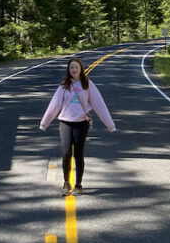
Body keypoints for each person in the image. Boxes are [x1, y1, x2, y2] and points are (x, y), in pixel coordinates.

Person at [39, 57, 116, 195]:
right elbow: (54, 105)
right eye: (71, 68)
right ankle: (67, 183)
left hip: (82, 123)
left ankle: (78, 184)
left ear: (81, 69)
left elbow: (99, 105)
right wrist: (44, 123)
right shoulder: (64, 85)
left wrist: (110, 125)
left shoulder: (87, 84)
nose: (74, 70)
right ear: (69, 70)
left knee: (78, 155)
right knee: (66, 153)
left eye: (76, 67)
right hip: (65, 123)